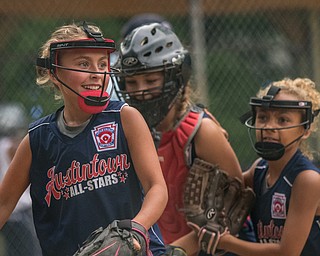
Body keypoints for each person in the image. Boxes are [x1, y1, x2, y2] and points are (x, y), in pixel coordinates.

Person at [0, 21, 168, 256]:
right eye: (83, 64)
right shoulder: (37, 140)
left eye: (102, 64)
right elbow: (4, 204)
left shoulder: (125, 118)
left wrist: (135, 231)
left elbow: (157, 188)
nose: (97, 73)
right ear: (54, 72)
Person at [115, 22, 252, 255]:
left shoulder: (200, 132)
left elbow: (234, 207)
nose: (140, 91)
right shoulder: (130, 130)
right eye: (133, 82)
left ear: (176, 77)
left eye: (150, 81)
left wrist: (177, 250)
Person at [217, 78, 320, 256]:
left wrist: (225, 242)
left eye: (283, 120)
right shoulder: (259, 170)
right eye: (263, 117)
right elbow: (227, 189)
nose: (269, 127)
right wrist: (215, 137)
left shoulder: (307, 180)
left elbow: (287, 253)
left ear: (305, 130)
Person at [0, 103, 42, 256]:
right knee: (32, 250)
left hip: (9, 212)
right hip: (20, 210)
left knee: (14, 251)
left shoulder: (4, 145)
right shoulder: (12, 146)